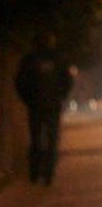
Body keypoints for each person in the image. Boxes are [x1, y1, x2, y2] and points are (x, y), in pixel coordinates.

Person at [15, 31, 74, 186]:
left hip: (35, 106)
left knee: (36, 139)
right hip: (52, 106)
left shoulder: (30, 59)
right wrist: (60, 97)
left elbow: (20, 83)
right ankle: (48, 173)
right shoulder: (58, 59)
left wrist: (28, 100)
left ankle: (35, 173)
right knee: (51, 140)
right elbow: (67, 82)